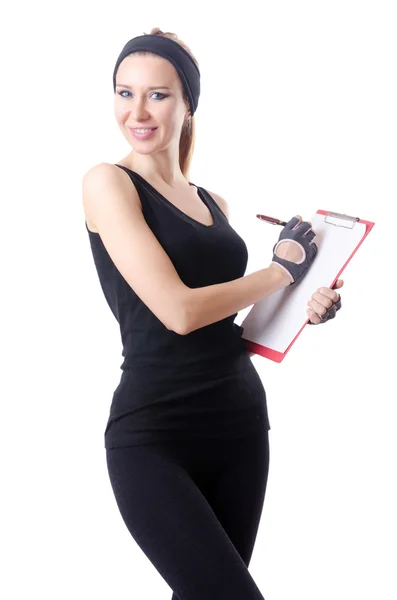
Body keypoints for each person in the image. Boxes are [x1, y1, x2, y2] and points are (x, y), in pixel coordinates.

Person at [83, 28, 344, 600]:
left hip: (238, 423)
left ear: (188, 104)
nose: (138, 111)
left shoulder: (213, 204)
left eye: (158, 94)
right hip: (154, 432)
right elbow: (178, 313)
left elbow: (223, 325)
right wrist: (281, 272)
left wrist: (303, 301)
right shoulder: (108, 183)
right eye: (124, 93)